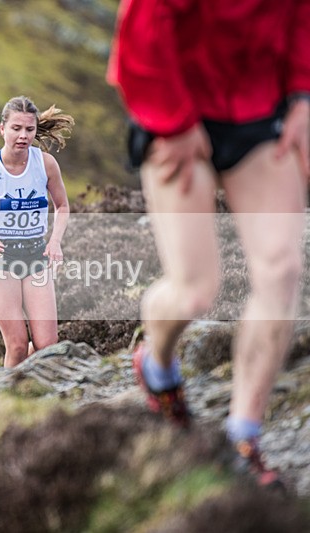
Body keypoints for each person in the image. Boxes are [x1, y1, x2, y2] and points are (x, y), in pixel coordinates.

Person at [108, 0, 310, 490]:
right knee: (196, 290)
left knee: (281, 272)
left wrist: (303, 95)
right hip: (177, 113)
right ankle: (156, 365)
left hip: (260, 113)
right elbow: (142, 23)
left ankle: (244, 439)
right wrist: (172, 122)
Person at [0, 96, 71, 367]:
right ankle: (10, 402)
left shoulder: (45, 164)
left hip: (35, 256)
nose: (23, 136)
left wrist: (55, 242)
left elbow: (62, 206)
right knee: (16, 346)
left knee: (47, 345)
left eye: (29, 129)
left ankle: (37, 395)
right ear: (2, 129)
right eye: (16, 128)